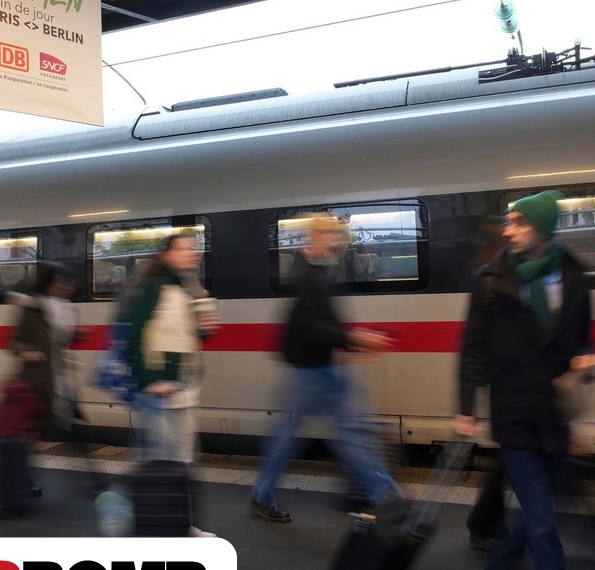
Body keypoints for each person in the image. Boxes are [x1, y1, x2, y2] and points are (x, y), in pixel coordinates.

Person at [456, 190, 595, 570]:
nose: (508, 230)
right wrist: (466, 408)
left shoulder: (574, 276)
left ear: (543, 228)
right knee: (541, 521)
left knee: (541, 517)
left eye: (518, 222)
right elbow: (473, 349)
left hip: (555, 413)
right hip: (514, 412)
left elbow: (584, 337)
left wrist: (587, 360)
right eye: (508, 222)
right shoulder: (490, 281)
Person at [250, 214, 401, 523]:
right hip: (308, 369)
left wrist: (353, 342)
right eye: (332, 235)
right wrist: (352, 339)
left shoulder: (318, 269)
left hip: (320, 366)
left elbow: (327, 318)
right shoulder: (305, 273)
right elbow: (310, 324)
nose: (338, 241)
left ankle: (385, 495)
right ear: (316, 236)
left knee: (332, 432)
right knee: (316, 434)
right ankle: (385, 495)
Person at [125, 233, 219, 537]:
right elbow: (136, 334)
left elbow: (188, 336)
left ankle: (177, 525)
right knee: (163, 462)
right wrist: (150, 380)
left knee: (181, 462)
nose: (192, 253)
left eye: (193, 249)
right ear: (166, 254)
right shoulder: (155, 286)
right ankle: (157, 525)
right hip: (162, 392)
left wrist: (205, 328)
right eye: (184, 249)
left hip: (185, 388)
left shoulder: (188, 288)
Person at [6, 261, 79, 499]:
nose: (67, 287)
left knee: (65, 430)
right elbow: (13, 341)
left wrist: (76, 336)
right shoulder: (33, 308)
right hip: (36, 382)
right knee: (29, 436)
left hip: (58, 380)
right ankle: (21, 483)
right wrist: (28, 352)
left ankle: (90, 477)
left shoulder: (64, 308)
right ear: (49, 283)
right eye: (62, 282)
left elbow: (60, 339)